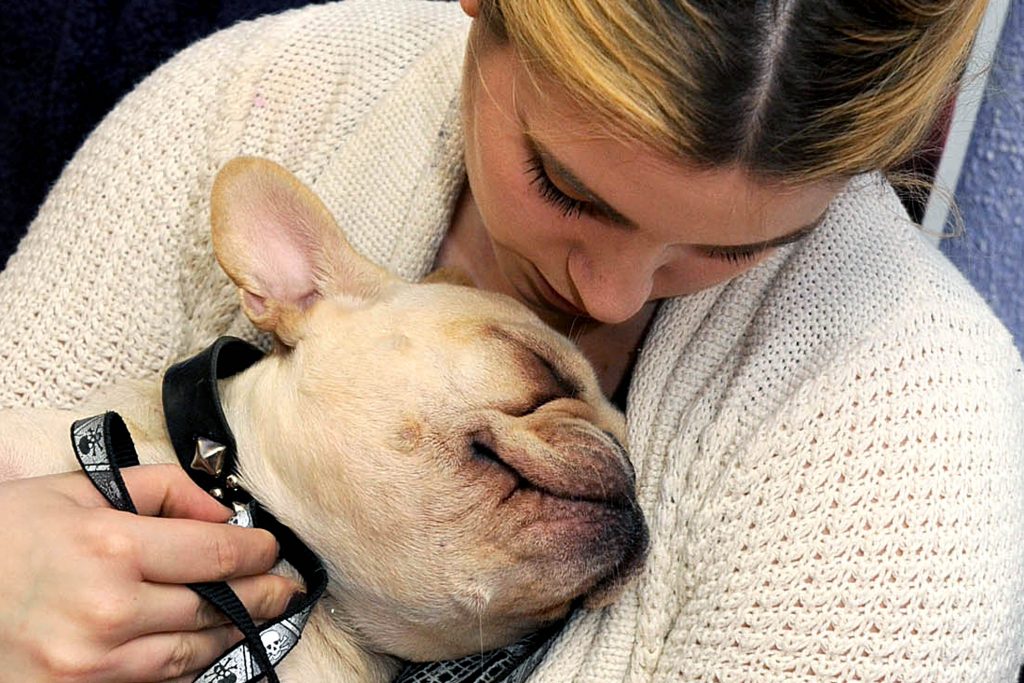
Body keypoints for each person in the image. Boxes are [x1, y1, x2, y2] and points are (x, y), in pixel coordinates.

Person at [1, 0, 1021, 680]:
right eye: (567, 187)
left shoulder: (918, 457)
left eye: (730, 247)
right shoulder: (260, 99)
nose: (609, 292)